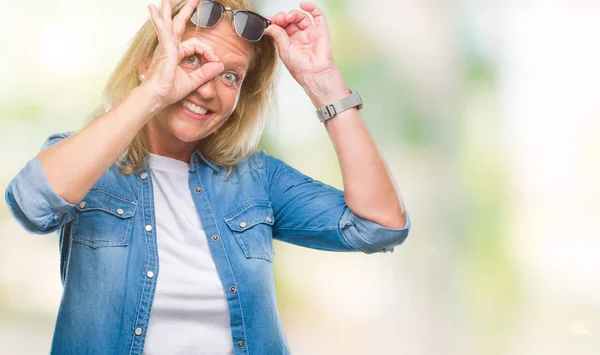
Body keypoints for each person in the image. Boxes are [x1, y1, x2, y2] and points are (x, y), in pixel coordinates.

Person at [4, 0, 410, 353]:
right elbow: (32, 203)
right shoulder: (88, 158)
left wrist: (323, 83)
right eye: (193, 59)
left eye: (230, 75)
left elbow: (380, 225)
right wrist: (154, 93)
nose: (206, 88)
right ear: (151, 61)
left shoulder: (255, 179)